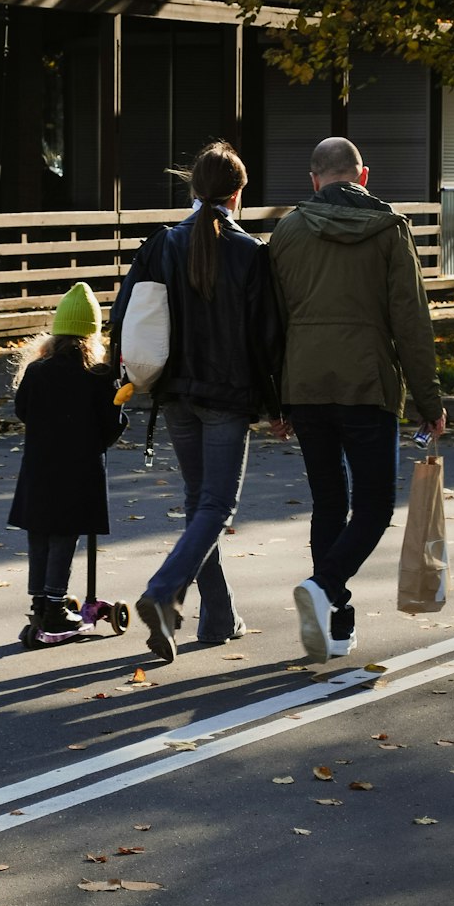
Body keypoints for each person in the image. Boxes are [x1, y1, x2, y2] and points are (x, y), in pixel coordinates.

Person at [269, 137, 446, 664]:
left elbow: (270, 325)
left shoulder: (287, 231)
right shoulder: (390, 231)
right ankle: (324, 588)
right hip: (367, 386)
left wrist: (277, 400)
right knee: (372, 506)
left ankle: (335, 622)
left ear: (314, 178)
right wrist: (428, 399)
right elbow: (410, 321)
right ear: (362, 176)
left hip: (304, 386)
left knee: (329, 501)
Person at [120, 141, 284, 664]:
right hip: (228, 396)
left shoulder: (161, 244)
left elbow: (125, 315)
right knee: (217, 505)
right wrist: (279, 402)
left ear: (194, 189)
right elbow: (268, 338)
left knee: (199, 503)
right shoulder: (253, 253)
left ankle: (217, 617)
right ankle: (166, 593)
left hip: (173, 395)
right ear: (239, 194)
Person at [8, 281, 128, 639]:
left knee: (40, 535)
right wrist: (119, 407)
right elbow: (108, 430)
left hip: (39, 470)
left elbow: (23, 410)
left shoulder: (38, 371)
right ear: (91, 336)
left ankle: (41, 602)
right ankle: (56, 606)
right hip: (78, 473)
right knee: (64, 536)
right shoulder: (98, 377)